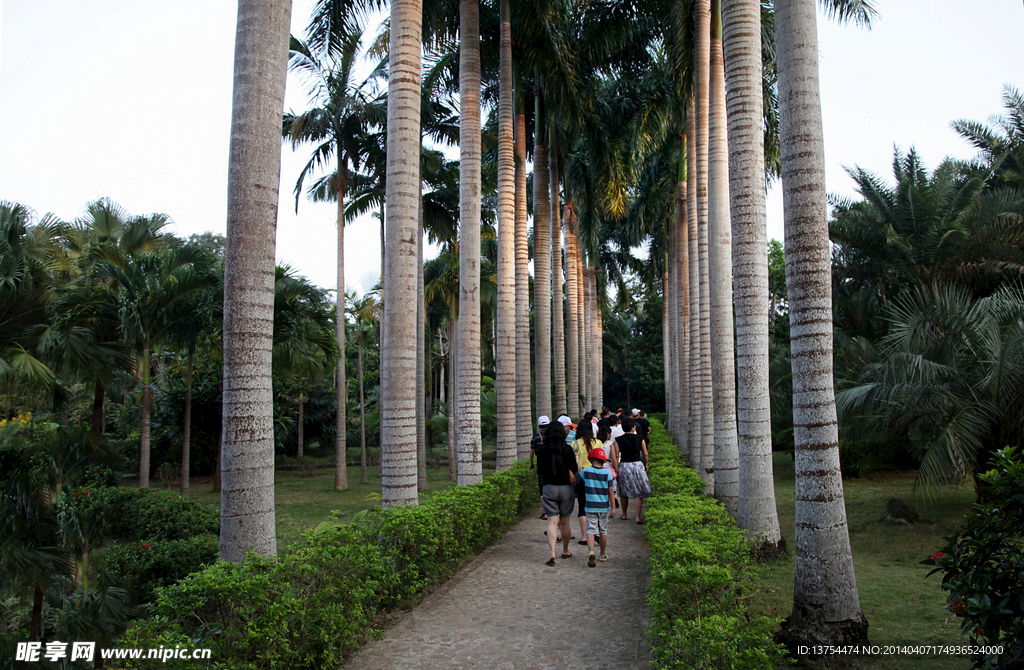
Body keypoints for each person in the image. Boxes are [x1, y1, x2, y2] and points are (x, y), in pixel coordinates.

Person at [537, 421, 579, 566]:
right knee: (565, 522)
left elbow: (540, 472)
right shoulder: (567, 449)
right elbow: (574, 469)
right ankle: (565, 550)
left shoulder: (542, 450)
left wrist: (541, 491)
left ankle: (552, 552)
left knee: (552, 522)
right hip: (566, 488)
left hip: (549, 487)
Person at [580, 447, 615, 566]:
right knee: (603, 530)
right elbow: (611, 491)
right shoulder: (607, 473)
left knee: (590, 529)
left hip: (590, 506)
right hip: (604, 506)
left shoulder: (586, 471)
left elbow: (575, 480)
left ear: (591, 459)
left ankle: (591, 552)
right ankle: (602, 554)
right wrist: (613, 507)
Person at [613, 417, 651, 524]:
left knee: (623, 492)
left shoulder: (618, 440)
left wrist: (616, 468)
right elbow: (645, 453)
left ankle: (624, 514)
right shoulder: (640, 439)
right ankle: (638, 517)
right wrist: (645, 464)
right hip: (637, 464)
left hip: (624, 465)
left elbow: (616, 455)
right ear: (634, 427)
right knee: (638, 492)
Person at [571, 420, 602, 545]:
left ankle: (584, 536)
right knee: (596, 505)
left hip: (582, 477)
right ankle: (597, 532)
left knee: (583, 507)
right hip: (597, 477)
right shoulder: (598, 442)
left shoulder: (576, 443)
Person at [530, 415, 551, 519]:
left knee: (542, 488)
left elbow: (532, 451)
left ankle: (545, 512)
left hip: (540, 464)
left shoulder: (535, 437)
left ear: (539, 425)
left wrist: (531, 463)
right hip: (551, 464)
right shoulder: (552, 435)